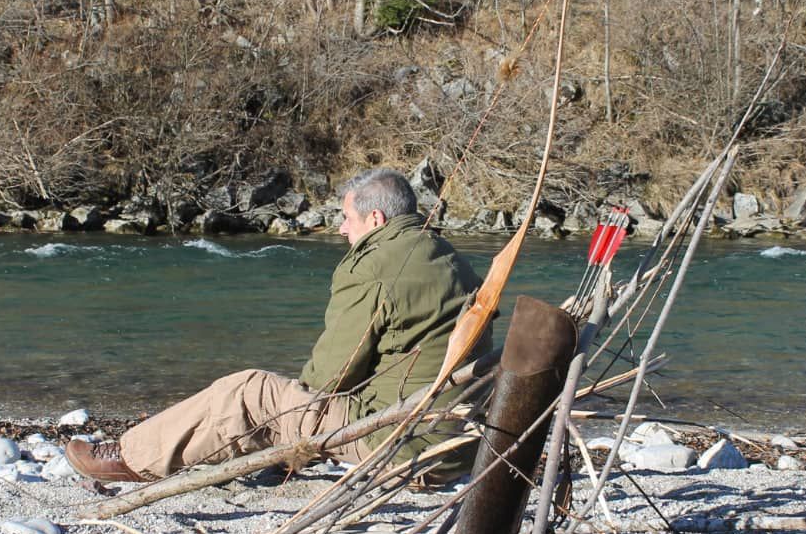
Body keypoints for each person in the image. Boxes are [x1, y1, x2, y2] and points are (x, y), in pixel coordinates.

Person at [66, 168, 490, 484]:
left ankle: (128, 458)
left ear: (375, 219)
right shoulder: (452, 259)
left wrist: (291, 413)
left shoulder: (374, 265)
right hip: (450, 449)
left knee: (250, 391)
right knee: (274, 401)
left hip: (401, 448)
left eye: (347, 218)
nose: (341, 229)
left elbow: (333, 373)